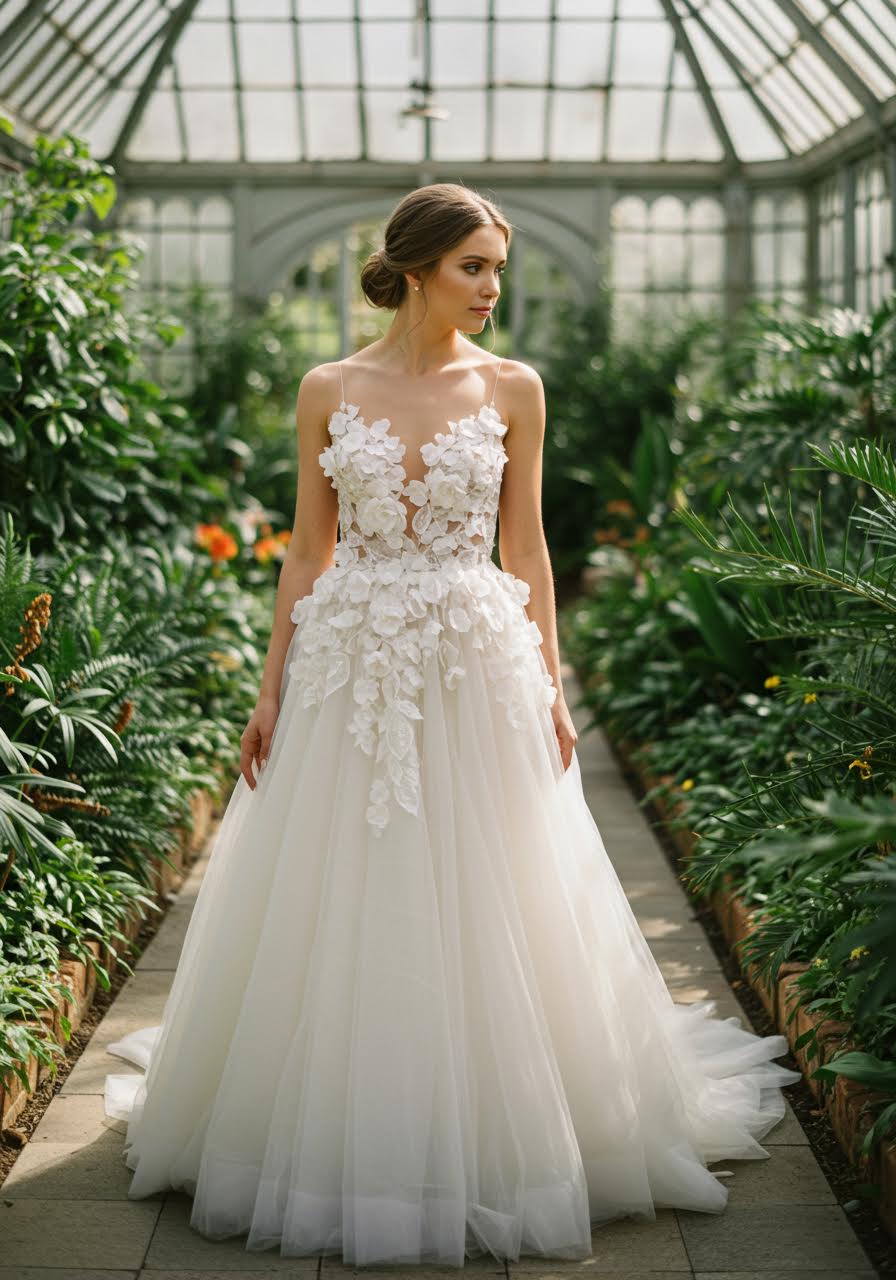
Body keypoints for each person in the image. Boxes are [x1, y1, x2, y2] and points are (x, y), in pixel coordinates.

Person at [104, 181, 801, 1268]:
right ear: (419, 265)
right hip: (352, 664)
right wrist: (271, 687)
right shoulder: (327, 385)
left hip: (477, 657)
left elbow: (524, 549)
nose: (490, 288)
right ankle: (340, 1117)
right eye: (473, 266)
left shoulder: (513, 387)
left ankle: (508, 1117)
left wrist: (552, 683)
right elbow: (304, 548)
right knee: (350, 878)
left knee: (496, 878)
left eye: (498, 269)